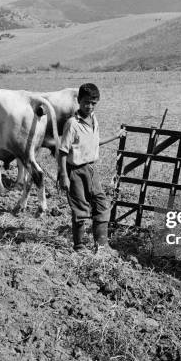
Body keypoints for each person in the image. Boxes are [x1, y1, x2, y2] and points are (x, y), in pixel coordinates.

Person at [58, 83, 125, 255]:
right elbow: (63, 151)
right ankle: (79, 247)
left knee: (102, 204)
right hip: (75, 171)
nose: (89, 106)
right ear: (79, 101)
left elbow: (95, 142)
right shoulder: (72, 124)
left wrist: (116, 136)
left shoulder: (94, 120)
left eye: (93, 103)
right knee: (80, 210)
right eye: (86, 102)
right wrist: (64, 176)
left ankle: (102, 246)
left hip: (90, 169)